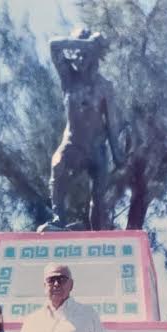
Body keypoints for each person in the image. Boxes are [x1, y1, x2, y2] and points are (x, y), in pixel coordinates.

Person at [48, 28, 123, 230]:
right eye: (77, 53)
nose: (79, 59)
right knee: (57, 166)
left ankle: (97, 232)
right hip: (72, 143)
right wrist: (86, 44)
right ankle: (58, 220)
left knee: (98, 197)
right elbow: (53, 45)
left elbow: (112, 122)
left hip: (96, 148)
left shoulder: (105, 86)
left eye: (85, 54)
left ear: (94, 56)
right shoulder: (68, 77)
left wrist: (117, 154)